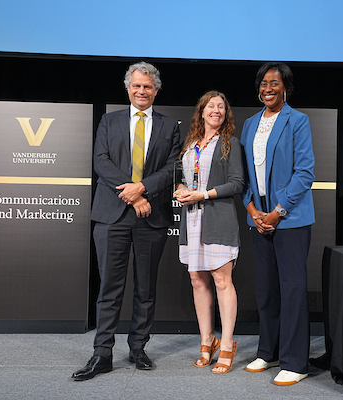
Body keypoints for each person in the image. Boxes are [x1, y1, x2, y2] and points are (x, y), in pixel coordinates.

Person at [72, 61, 181, 380]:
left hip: (152, 217)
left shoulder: (168, 126)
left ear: (156, 90)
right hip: (112, 215)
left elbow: (173, 167)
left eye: (147, 86)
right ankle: (102, 353)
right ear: (128, 88)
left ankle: (138, 347)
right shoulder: (109, 121)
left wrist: (144, 188)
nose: (142, 91)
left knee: (145, 288)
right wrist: (134, 194)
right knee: (110, 287)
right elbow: (101, 162)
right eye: (136, 86)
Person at [240, 62, 316, 386]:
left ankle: (295, 362)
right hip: (259, 220)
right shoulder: (248, 124)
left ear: (285, 87)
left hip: (291, 220)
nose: (267, 88)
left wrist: (278, 211)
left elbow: (305, 173)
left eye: (274, 83)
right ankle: (267, 351)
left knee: (293, 290)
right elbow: (242, 175)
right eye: (263, 83)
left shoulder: (298, 121)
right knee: (267, 291)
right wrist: (252, 209)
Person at [174, 91, 244, 374]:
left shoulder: (230, 144)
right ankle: (208, 341)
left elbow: (237, 184)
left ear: (225, 114)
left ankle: (227, 344)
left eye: (221, 107)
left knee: (221, 280)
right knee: (196, 279)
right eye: (211, 106)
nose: (216, 110)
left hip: (218, 218)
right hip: (191, 221)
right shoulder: (190, 144)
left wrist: (202, 194)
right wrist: (180, 189)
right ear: (201, 112)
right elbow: (180, 177)